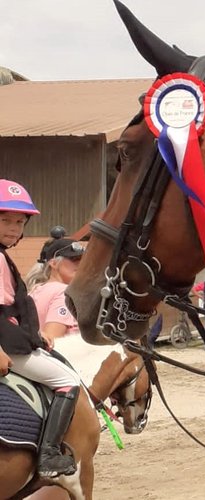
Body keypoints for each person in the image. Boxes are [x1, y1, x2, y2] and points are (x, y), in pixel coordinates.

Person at [0, 179, 81, 478]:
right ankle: (48, 455)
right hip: (8, 346)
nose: (13, 228)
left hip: (16, 339)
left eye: (19, 222)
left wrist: (37, 337)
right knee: (68, 380)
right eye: (5, 220)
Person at [27, 238, 85, 343]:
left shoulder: (36, 289)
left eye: (83, 259)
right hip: (61, 357)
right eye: (74, 259)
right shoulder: (64, 293)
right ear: (53, 263)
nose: (80, 263)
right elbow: (53, 340)